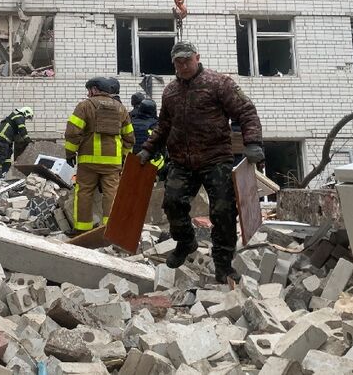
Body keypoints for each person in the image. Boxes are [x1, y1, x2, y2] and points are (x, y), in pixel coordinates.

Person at [138, 42, 263, 283]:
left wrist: (253, 142)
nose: (183, 65)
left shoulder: (219, 83)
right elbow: (164, 126)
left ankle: (223, 265)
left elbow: (246, 111)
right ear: (173, 63)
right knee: (172, 203)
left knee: (223, 212)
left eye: (187, 60)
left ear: (197, 58)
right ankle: (186, 242)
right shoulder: (170, 91)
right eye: (178, 62)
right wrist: (147, 149)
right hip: (182, 161)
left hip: (215, 158)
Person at [64, 78, 135, 232]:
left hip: (88, 161)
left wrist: (70, 153)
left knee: (84, 192)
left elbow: (72, 132)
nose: (88, 93)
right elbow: (129, 137)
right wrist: (125, 157)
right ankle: (110, 229)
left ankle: (82, 228)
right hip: (112, 162)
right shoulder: (121, 108)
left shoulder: (85, 106)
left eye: (89, 90)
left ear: (94, 89)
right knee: (111, 193)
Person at [0, 107, 34, 179]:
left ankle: (5, 174)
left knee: (8, 156)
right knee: (1, 155)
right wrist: (28, 141)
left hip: (6, 139)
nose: (26, 119)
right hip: (3, 136)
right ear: (25, 112)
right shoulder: (19, 116)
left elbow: (16, 132)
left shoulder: (15, 117)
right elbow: (22, 129)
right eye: (28, 117)